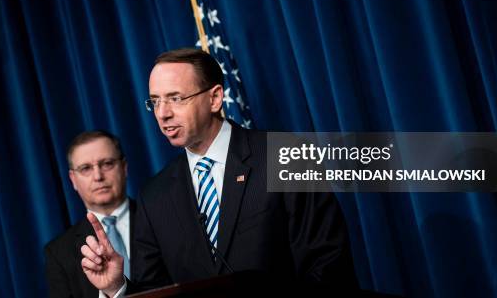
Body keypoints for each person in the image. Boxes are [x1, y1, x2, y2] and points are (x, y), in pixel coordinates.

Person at [80, 48, 357, 297]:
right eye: (155, 101)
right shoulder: (155, 196)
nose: (162, 114)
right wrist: (117, 287)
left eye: (176, 98)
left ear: (214, 98)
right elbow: (157, 291)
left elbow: (328, 264)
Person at [45, 130, 135, 298]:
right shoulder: (58, 252)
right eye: (85, 168)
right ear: (73, 179)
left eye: (107, 163)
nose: (98, 176)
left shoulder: (159, 216)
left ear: (124, 168)